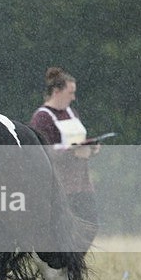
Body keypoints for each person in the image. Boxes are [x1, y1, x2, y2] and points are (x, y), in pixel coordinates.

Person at [29, 67, 100, 250]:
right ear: (57, 91)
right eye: (71, 93)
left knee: (91, 226)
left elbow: (77, 142)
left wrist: (90, 147)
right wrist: (73, 153)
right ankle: (62, 268)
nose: (73, 97)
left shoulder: (71, 113)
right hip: (59, 186)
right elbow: (42, 153)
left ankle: (72, 265)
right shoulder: (41, 118)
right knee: (61, 233)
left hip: (82, 183)